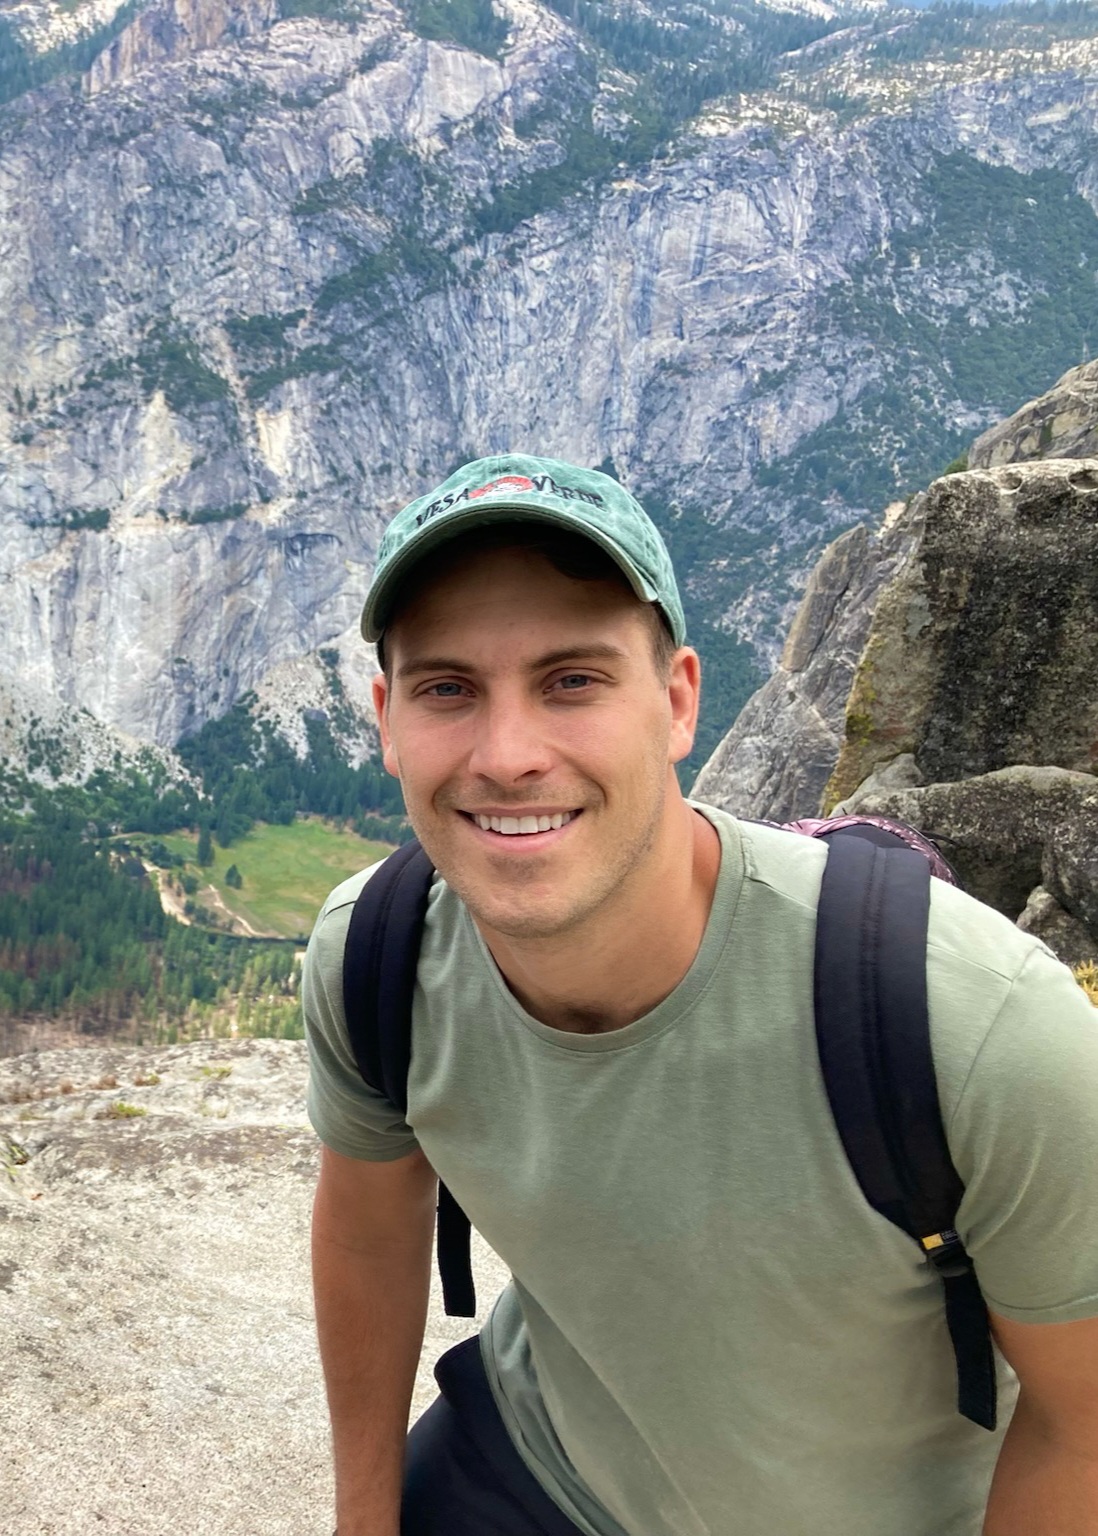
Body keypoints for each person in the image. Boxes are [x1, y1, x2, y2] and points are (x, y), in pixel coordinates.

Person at [304, 453, 1098, 1536]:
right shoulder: (377, 958)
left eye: (572, 681)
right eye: (450, 689)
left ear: (677, 702)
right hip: (537, 1470)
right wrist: (365, 1520)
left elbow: (1083, 1421)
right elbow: (366, 1223)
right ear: (388, 720)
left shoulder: (975, 1026)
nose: (509, 754)